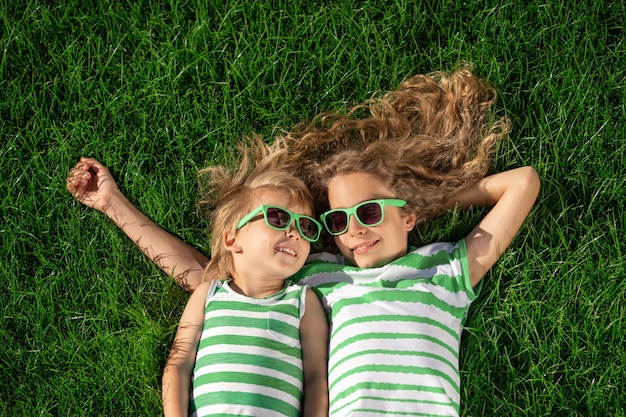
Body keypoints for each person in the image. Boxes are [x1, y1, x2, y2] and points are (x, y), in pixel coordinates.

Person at [67, 67, 540, 416]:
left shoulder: (445, 271)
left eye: (370, 213)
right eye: (337, 220)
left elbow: (521, 183)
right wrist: (113, 205)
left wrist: (418, 201)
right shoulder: (317, 279)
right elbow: (202, 274)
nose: (354, 229)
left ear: (409, 217)